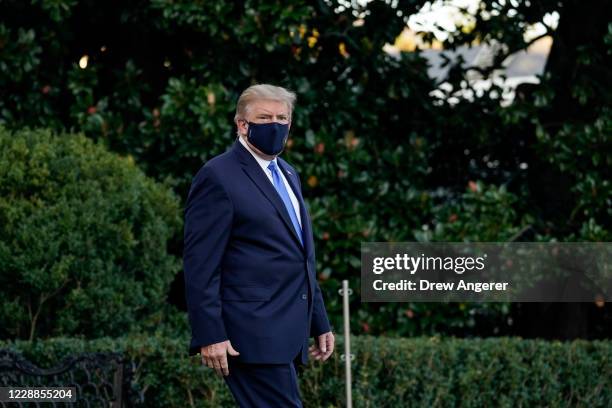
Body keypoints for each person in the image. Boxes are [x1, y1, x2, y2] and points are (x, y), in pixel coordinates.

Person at [183, 83, 335, 407]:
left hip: (285, 334)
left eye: (283, 117)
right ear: (242, 124)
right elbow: (200, 265)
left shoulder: (289, 174)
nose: (276, 125)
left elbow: (301, 257)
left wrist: (319, 321)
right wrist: (210, 333)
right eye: (265, 117)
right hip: (249, 336)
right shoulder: (217, 176)